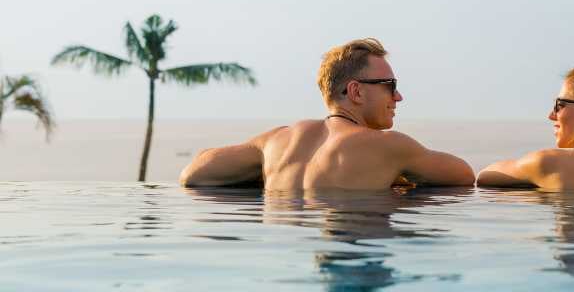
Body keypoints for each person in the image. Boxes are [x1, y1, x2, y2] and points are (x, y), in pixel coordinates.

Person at [180, 38, 474, 190]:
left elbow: (193, 174)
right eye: (390, 86)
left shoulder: (276, 141)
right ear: (356, 92)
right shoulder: (388, 146)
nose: (398, 96)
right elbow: (465, 175)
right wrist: (397, 174)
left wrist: (264, 171)